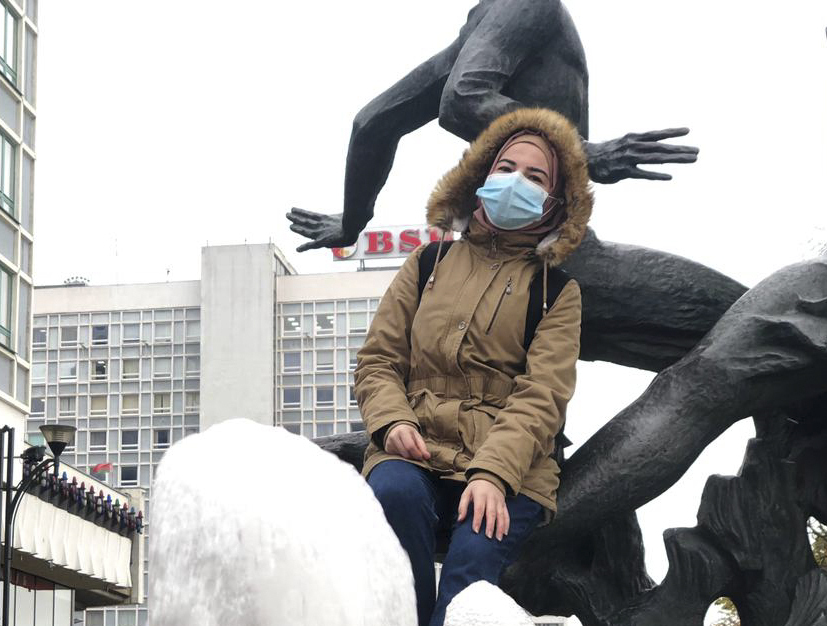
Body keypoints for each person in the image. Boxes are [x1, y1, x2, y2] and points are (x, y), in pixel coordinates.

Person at [288, 0, 744, 374]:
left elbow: (373, 123)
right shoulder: (524, 6)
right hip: (553, 256)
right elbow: (462, 101)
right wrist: (587, 153)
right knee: (754, 323)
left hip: (500, 262)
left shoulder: (495, 19)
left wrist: (352, 224)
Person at [355, 107, 591, 626]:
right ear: (481, 174)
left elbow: (543, 394)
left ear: (554, 203)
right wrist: (392, 420)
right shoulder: (427, 263)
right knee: (392, 499)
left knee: (469, 567)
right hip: (419, 449)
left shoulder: (557, 292)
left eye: (535, 177)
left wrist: (492, 472)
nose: (516, 181)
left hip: (508, 468)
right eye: (506, 167)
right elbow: (377, 361)